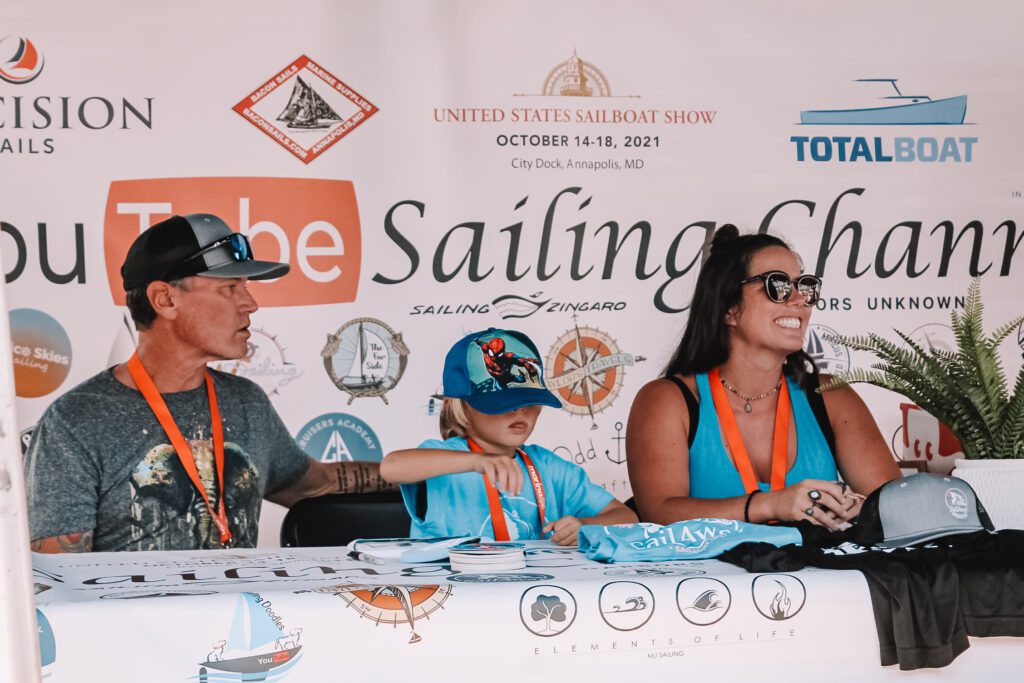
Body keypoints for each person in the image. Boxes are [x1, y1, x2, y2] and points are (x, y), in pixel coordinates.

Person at [24, 213, 391, 553]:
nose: (250, 303)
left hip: (241, 605)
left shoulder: (246, 402)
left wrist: (422, 472)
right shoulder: (76, 422)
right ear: (165, 299)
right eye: (230, 288)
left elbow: (317, 484)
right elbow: (57, 579)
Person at [627, 226, 900, 529]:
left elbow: (898, 505)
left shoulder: (831, 396)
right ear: (729, 309)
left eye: (805, 286)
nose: (799, 299)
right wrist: (771, 504)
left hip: (813, 562)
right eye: (777, 285)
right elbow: (657, 513)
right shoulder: (667, 400)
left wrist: (862, 508)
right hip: (713, 565)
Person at [381, 328, 636, 545]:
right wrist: (476, 461)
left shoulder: (549, 467)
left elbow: (627, 517)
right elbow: (391, 467)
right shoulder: (443, 460)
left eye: (529, 400)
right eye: (504, 402)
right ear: (461, 405)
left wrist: (585, 526)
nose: (520, 410)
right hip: (453, 588)